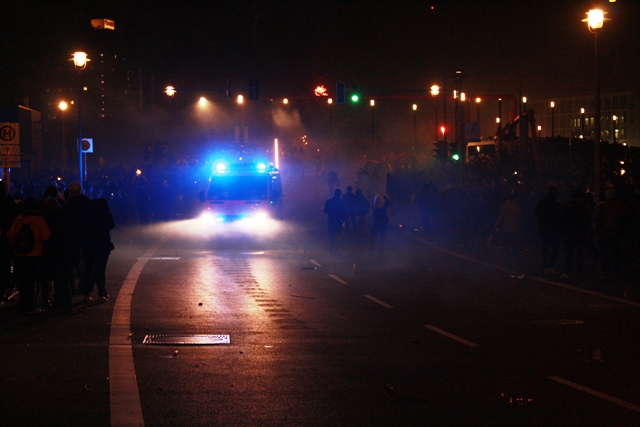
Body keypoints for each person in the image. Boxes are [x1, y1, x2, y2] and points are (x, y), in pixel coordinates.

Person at [7, 197, 51, 313]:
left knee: (22, 279)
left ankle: (22, 302)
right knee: (31, 280)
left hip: (19, 254)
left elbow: (11, 236)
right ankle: (30, 304)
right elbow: (46, 236)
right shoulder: (39, 220)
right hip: (35, 254)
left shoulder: (19, 219)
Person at [41, 185, 74, 311]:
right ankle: (64, 302)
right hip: (61, 249)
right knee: (62, 278)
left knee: (47, 277)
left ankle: (49, 300)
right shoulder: (61, 214)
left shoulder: (45, 215)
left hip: (49, 249)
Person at [81, 198, 115, 302]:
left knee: (88, 269)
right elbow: (112, 225)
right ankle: (101, 294)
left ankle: (87, 293)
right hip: (103, 245)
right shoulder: (106, 214)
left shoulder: (87, 215)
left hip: (89, 245)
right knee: (101, 270)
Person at [63, 181, 90, 295]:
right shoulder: (86, 200)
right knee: (85, 262)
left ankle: (74, 286)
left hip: (73, 236)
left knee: (74, 262)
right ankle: (84, 285)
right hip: (86, 235)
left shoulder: (69, 203)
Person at [560, 189, 592, 279]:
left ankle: (567, 271)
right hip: (580, 233)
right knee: (579, 253)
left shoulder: (568, 206)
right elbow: (587, 220)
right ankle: (579, 272)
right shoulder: (583, 207)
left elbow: (562, 218)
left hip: (569, 232)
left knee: (568, 253)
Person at [594, 188, 625, 278]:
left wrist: (598, 231)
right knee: (616, 254)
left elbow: (598, 219)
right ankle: (616, 271)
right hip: (615, 233)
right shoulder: (618, 206)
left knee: (605, 254)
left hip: (605, 233)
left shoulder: (603, 206)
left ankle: (606, 271)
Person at [535, 186, 562, 274]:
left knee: (545, 247)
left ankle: (546, 266)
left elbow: (537, 214)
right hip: (554, 229)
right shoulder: (556, 204)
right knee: (554, 248)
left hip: (545, 228)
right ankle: (551, 265)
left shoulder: (542, 203)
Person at [0, 181, 16, 301]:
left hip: (5, 236)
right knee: (5, 261)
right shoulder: (8, 203)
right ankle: (4, 284)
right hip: (7, 236)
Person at [324, 189, 345, 253]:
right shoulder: (341, 202)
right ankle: (336, 249)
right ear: (340, 194)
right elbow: (343, 212)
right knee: (337, 234)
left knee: (331, 235)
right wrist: (343, 221)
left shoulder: (329, 201)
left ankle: (332, 249)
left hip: (331, 220)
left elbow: (326, 210)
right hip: (338, 221)